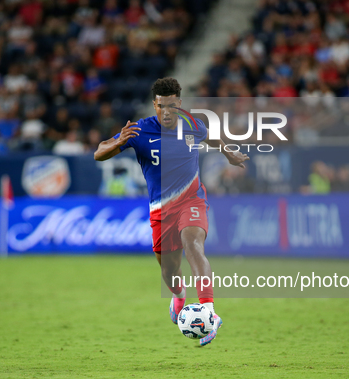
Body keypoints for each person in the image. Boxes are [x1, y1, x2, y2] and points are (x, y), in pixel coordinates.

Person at [94, 77, 249, 346]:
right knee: (169, 270)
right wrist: (119, 140)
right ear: (154, 104)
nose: (166, 112)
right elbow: (98, 153)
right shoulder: (140, 130)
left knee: (193, 246)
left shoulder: (191, 124)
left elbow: (210, 137)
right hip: (160, 210)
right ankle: (179, 297)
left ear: (179, 103)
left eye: (171, 106)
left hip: (192, 201)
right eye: (160, 106)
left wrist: (228, 154)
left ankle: (209, 311)